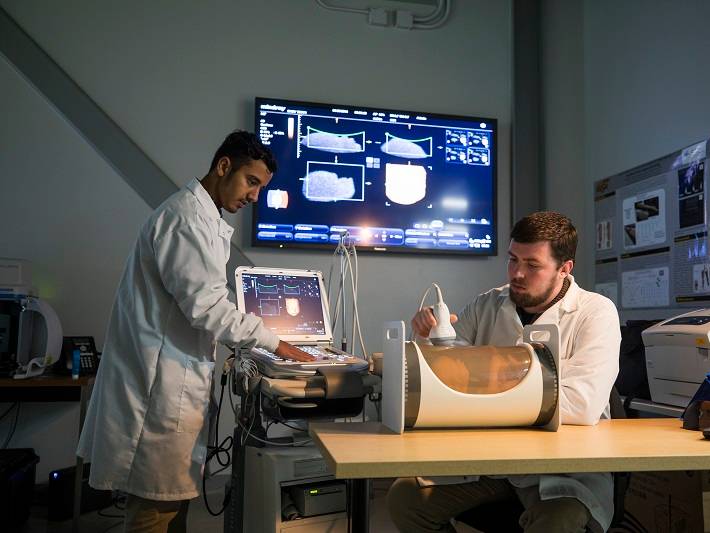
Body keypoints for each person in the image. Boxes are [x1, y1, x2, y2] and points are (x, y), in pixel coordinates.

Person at [77, 130, 314, 533]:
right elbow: (207, 308)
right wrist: (278, 344)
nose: (255, 196)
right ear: (224, 166)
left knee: (172, 507)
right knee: (153, 513)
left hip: (171, 381)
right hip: (156, 389)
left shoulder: (202, 218)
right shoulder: (184, 219)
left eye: (261, 187)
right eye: (251, 182)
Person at [387, 211, 621, 533]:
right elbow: (441, 381)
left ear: (564, 269)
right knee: (406, 499)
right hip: (491, 464)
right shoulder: (486, 306)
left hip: (560, 472)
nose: (517, 273)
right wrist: (428, 337)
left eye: (532, 265)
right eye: (513, 260)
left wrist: (484, 385)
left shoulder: (595, 313)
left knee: (557, 522)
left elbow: (581, 405)